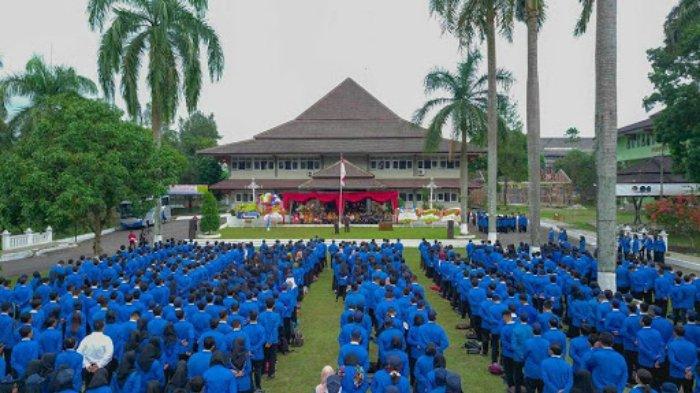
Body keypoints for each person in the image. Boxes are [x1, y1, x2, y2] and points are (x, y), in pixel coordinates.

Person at [77, 320, 114, 385]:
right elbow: (109, 355)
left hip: (88, 369)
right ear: (103, 327)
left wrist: (87, 365)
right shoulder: (107, 339)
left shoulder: (86, 339)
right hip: (101, 369)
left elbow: (79, 353)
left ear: (93, 327)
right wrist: (98, 365)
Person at [666, 325, 696, 393]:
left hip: (676, 374)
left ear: (674, 333)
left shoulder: (671, 345)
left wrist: (684, 369)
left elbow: (672, 360)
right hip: (689, 375)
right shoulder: (692, 345)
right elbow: (696, 360)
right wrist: (690, 370)